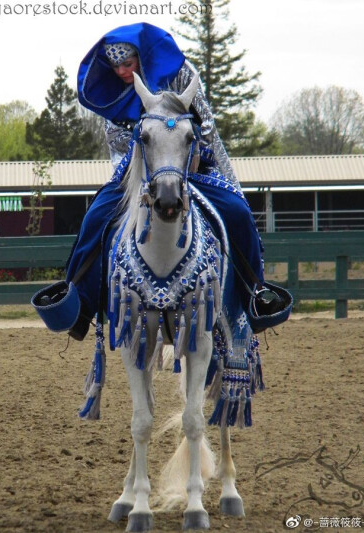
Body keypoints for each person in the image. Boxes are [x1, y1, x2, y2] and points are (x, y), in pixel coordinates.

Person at [66, 22, 265, 340]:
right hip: (138, 168)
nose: (121, 72)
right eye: (115, 66)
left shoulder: (181, 72)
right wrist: (145, 136)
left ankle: (256, 295)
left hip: (190, 164)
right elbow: (112, 136)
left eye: (127, 64)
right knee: (94, 218)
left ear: (140, 57)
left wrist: (181, 138)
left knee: (238, 213)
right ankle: (78, 302)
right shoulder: (113, 91)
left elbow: (207, 122)